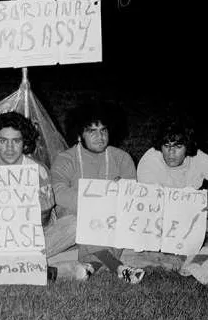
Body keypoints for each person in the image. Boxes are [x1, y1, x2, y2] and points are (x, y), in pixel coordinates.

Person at [0, 111, 89, 281]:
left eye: (16, 141)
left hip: (30, 241)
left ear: (24, 143)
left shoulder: (38, 171)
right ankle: (44, 270)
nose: (10, 148)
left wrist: (45, 211)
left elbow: (43, 226)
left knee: (74, 224)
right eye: (3, 141)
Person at [51, 102, 145, 284]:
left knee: (122, 220)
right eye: (91, 131)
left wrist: (117, 194)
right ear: (79, 135)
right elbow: (58, 192)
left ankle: (91, 266)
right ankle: (117, 266)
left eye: (103, 130)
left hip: (112, 216)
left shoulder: (122, 158)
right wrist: (96, 202)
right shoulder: (66, 159)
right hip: (75, 216)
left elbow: (131, 195)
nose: (100, 136)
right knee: (86, 221)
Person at [137, 115, 208, 240]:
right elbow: (154, 209)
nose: (171, 153)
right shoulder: (149, 162)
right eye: (166, 146)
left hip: (191, 210)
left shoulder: (197, 158)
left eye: (178, 146)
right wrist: (200, 224)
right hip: (159, 224)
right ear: (160, 146)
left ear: (188, 147)